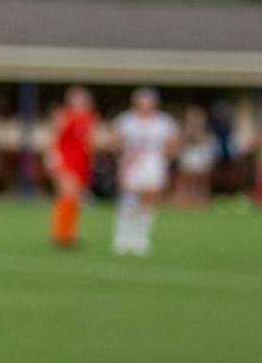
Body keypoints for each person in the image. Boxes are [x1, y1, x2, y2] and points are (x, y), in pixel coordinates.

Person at [111, 87, 179, 257]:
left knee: (149, 200)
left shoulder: (164, 121)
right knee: (129, 199)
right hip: (132, 162)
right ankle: (123, 237)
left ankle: (141, 237)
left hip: (153, 163)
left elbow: (173, 143)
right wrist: (126, 155)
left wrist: (161, 156)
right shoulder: (127, 120)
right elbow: (116, 141)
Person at [46, 85, 98, 248]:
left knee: (75, 197)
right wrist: (52, 156)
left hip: (82, 161)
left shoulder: (91, 117)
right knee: (67, 193)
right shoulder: (64, 116)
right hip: (66, 160)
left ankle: (69, 233)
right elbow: (54, 137)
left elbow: (91, 141)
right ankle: (59, 233)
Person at [173, 104, 218, 207]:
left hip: (201, 158)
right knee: (185, 180)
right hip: (188, 158)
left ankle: (202, 200)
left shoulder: (207, 132)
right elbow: (180, 143)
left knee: (201, 181)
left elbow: (208, 145)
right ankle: (183, 200)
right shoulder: (185, 130)